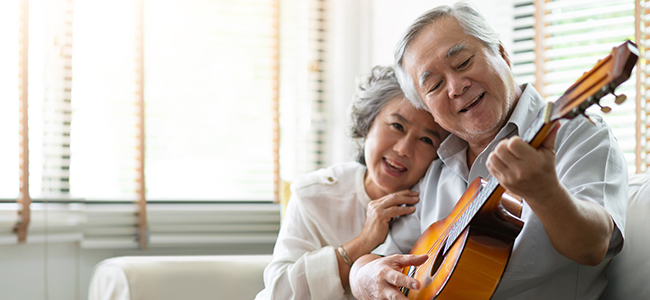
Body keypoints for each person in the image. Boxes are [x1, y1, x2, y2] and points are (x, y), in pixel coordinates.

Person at [349, 2, 628, 300]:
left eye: (463, 62)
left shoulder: (579, 135)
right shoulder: (436, 170)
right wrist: (364, 276)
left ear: (502, 53)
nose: (455, 87)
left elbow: (594, 246)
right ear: (428, 109)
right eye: (434, 85)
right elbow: (384, 257)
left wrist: (544, 191)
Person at [254, 65, 449, 300]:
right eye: (397, 126)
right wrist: (364, 241)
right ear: (368, 123)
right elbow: (279, 292)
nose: (403, 149)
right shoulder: (314, 194)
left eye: (426, 140)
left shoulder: (437, 204)